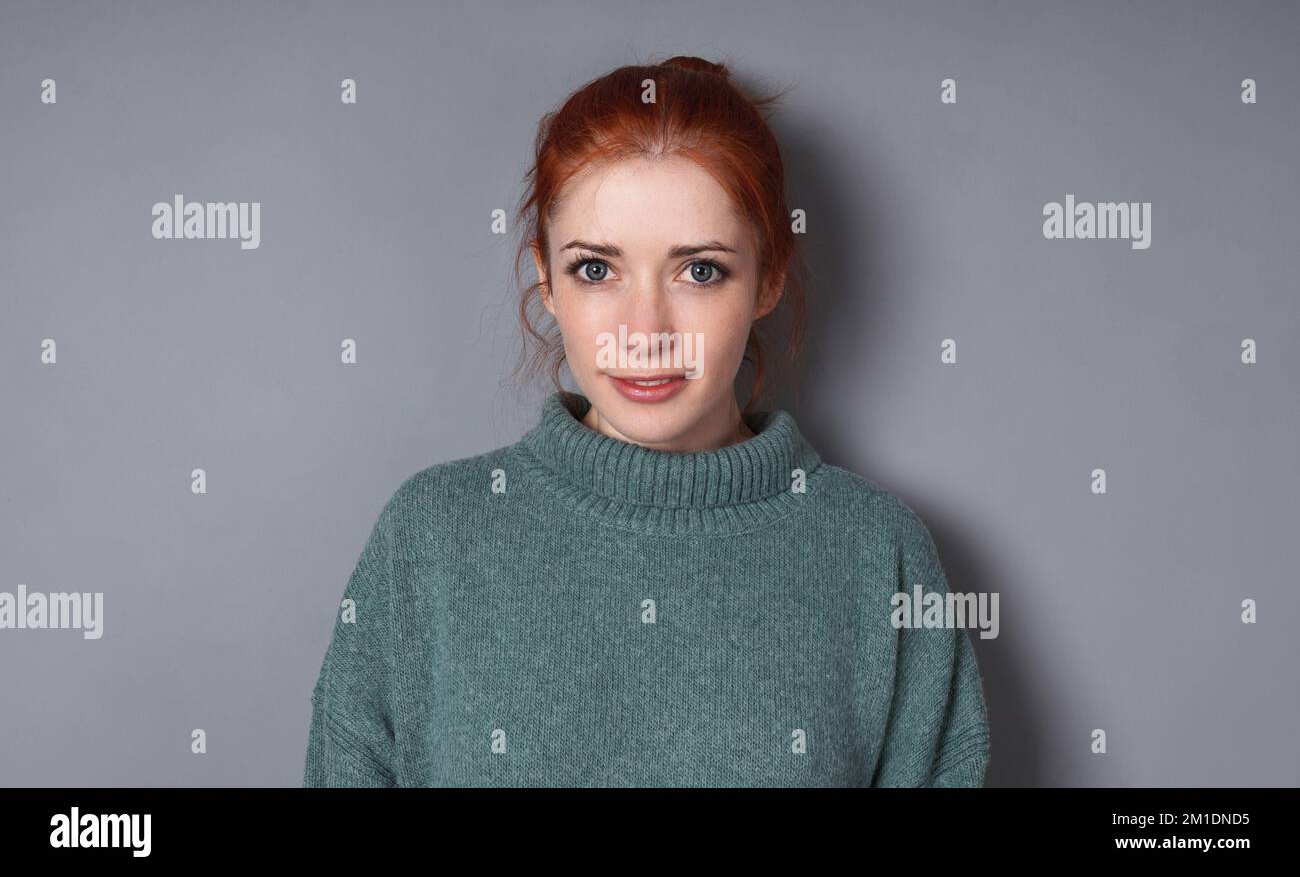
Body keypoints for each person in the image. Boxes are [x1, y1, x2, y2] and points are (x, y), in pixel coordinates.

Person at [303, 55, 990, 786]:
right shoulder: (429, 537)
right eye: (596, 269)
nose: (645, 329)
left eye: (700, 270)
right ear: (546, 277)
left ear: (770, 276)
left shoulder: (876, 551)